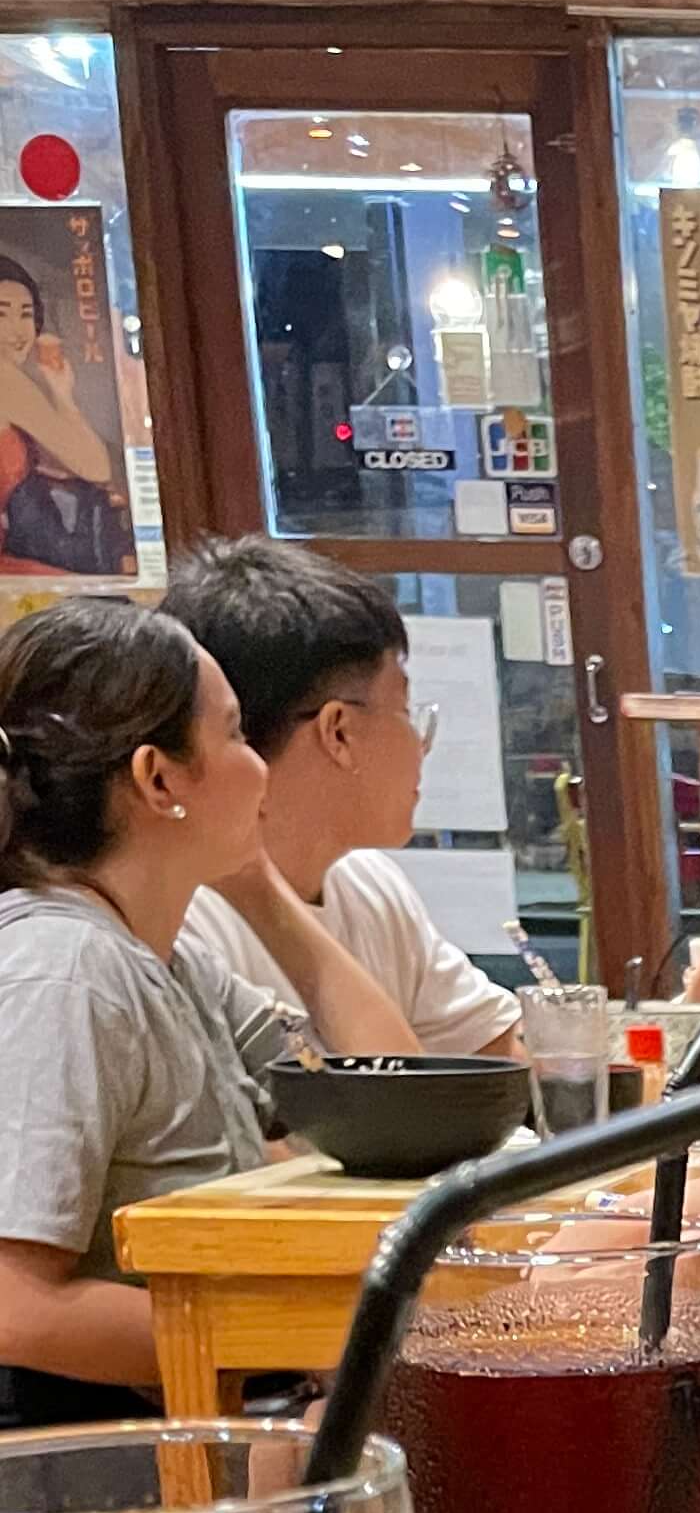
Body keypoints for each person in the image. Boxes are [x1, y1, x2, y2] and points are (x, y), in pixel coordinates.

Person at [0, 598, 428, 1424]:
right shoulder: (63, 972)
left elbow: (395, 1108)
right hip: (108, 1471)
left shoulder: (169, 959)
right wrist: (306, 1340)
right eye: (234, 735)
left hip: (235, 1414)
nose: (259, 767)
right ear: (159, 781)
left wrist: (262, 892)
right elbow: (15, 1307)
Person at [161, 540, 523, 1056]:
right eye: (406, 709)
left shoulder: (370, 885)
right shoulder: (178, 922)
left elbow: (503, 1072)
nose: (422, 744)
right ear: (339, 732)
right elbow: (381, 1116)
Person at [0, 251, 128, 578]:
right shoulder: (6, 381)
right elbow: (95, 466)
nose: (18, 331)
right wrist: (63, 397)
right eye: (2, 315)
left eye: (26, 315)